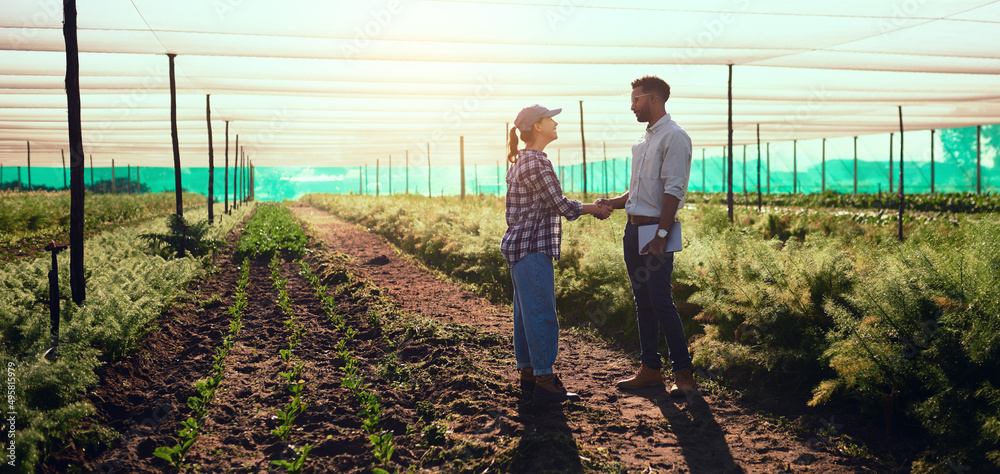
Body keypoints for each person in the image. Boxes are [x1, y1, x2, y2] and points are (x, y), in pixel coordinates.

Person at [501, 104, 612, 402]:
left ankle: (529, 373)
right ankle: (545, 380)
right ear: (537, 126)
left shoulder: (521, 161)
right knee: (541, 314)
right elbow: (560, 205)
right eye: (551, 119)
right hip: (533, 246)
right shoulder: (537, 163)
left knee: (526, 314)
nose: (555, 123)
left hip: (519, 247)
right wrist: (595, 209)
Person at [597, 76, 696, 397]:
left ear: (654, 99)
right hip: (634, 229)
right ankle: (650, 369)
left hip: (656, 229)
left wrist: (662, 235)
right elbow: (639, 190)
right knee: (643, 303)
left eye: (636, 100)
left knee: (662, 302)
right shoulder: (643, 142)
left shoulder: (675, 137)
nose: (632, 106)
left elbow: (673, 190)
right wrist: (612, 203)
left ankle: (684, 375)